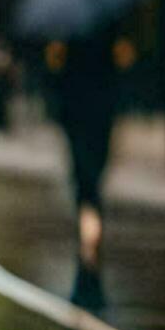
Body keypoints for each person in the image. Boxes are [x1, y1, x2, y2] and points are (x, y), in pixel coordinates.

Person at [45, 30, 117, 270]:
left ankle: (87, 210)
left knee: (85, 170)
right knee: (90, 169)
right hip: (92, 117)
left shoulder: (70, 49)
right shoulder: (102, 46)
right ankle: (90, 211)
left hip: (84, 117)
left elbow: (59, 85)